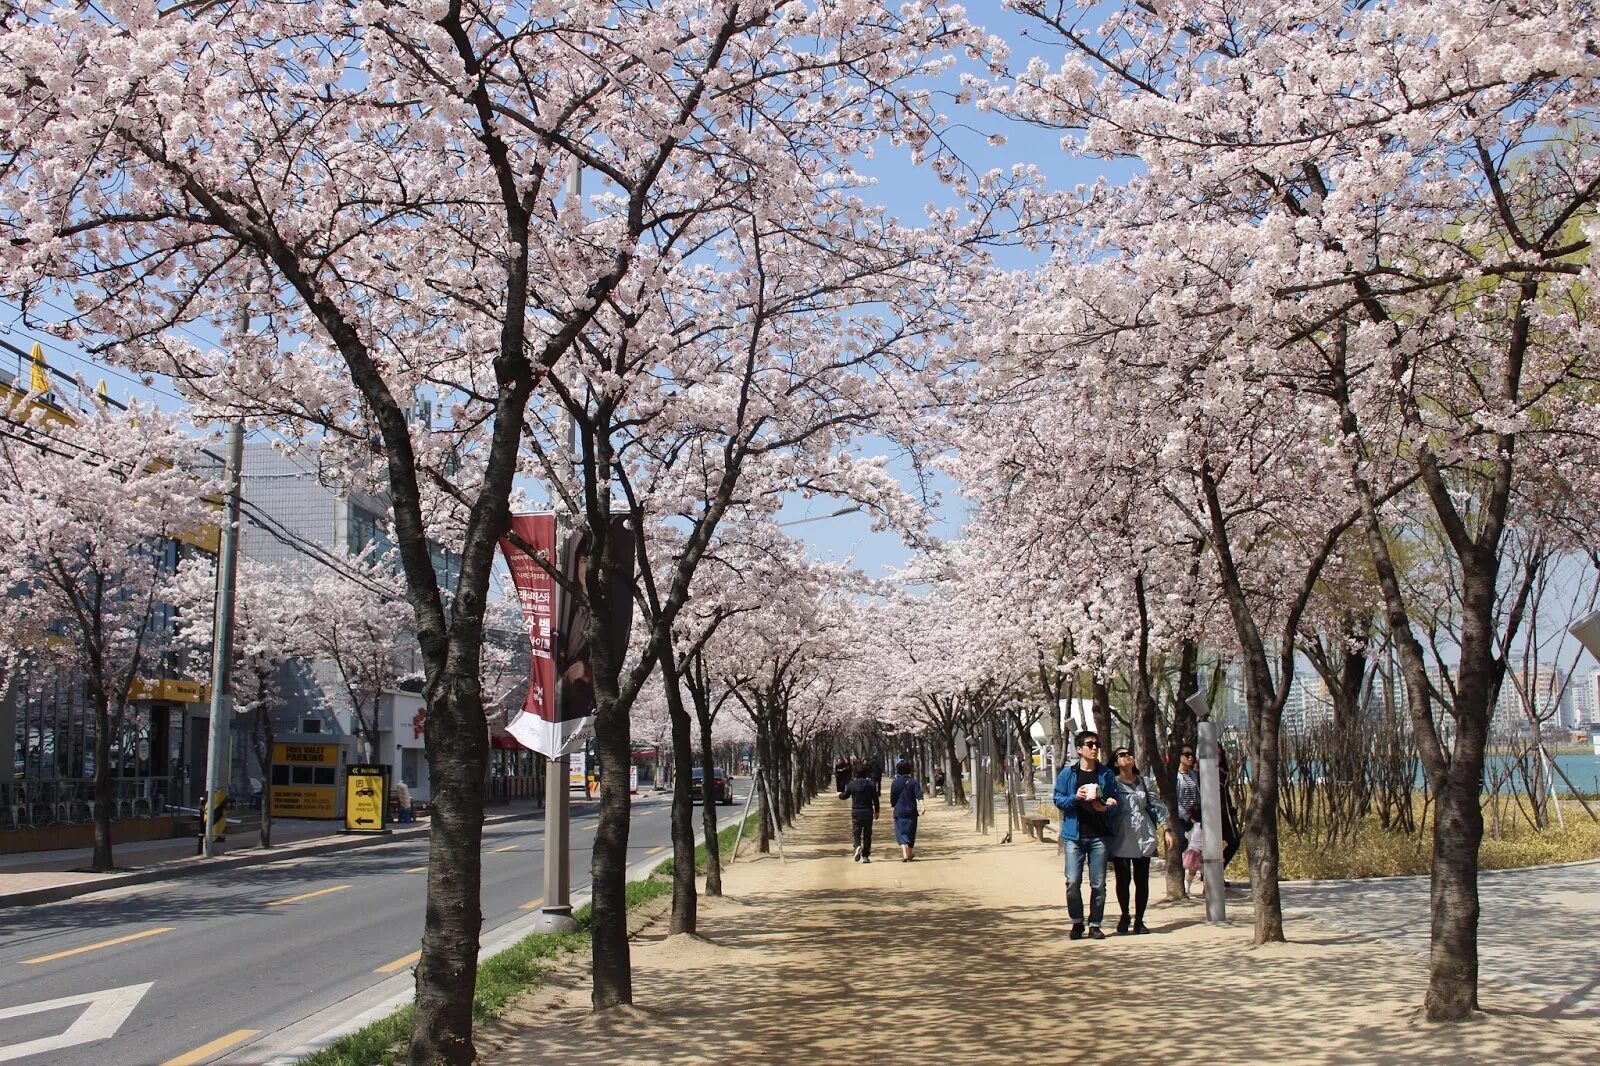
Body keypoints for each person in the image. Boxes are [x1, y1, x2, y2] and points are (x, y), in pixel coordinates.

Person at [1052, 729, 1119, 940]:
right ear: (1079, 749)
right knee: (1072, 881)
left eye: (1096, 745)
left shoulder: (1105, 774)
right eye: (1090, 745)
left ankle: (1095, 924)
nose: (1094, 748)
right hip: (1074, 836)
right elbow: (1057, 800)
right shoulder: (1068, 774)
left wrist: (1106, 808)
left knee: (1098, 883)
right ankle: (1077, 922)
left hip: (1099, 835)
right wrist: (1075, 797)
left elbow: (1115, 800)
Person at [1109, 746, 1171, 934]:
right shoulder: (1112, 782)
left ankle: (1139, 920)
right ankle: (1124, 915)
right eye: (1122, 755)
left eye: (1129, 754)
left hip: (1143, 833)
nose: (1127, 757)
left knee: (1142, 879)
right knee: (1123, 878)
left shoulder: (1145, 782)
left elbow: (1158, 805)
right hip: (1121, 834)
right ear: (1115, 762)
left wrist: (1167, 829)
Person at [839, 758, 880, 862]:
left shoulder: (852, 784)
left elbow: (845, 796)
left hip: (856, 812)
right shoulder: (870, 784)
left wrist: (839, 794)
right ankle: (865, 856)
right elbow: (875, 798)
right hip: (868, 812)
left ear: (855, 773)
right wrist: (877, 811)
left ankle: (857, 846)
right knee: (867, 834)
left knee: (856, 832)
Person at [888, 759, 926, 862]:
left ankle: (904, 853)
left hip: (899, 810)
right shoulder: (913, 782)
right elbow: (919, 795)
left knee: (900, 832)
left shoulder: (895, 783)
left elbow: (892, 798)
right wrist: (922, 806)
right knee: (911, 832)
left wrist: (894, 804)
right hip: (911, 811)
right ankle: (910, 853)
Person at [1175, 744, 1199, 895]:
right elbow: (1173, 798)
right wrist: (1185, 814)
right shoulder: (1175, 776)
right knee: (1182, 850)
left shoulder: (1193, 775)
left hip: (1195, 818)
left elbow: (1198, 795)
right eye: (1186, 754)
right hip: (1181, 819)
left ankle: (1188, 886)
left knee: (1195, 852)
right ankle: (1181, 886)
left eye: (1192, 755)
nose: (1190, 757)